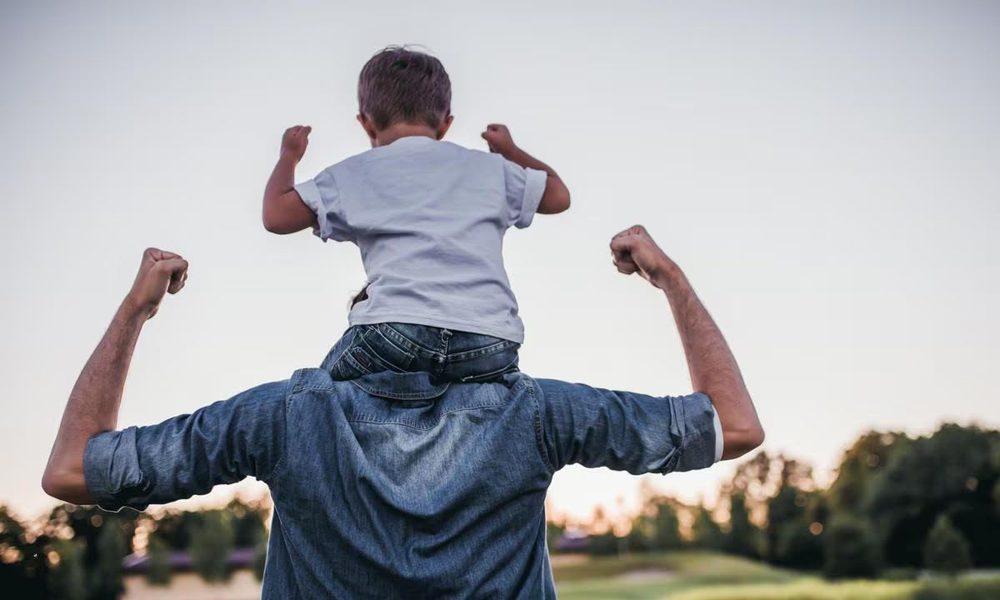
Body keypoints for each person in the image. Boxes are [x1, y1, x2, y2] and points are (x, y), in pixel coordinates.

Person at [42, 225, 764, 598]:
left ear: (362, 320)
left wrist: (136, 311)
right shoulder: (536, 414)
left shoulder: (285, 418)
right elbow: (734, 426)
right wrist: (669, 278)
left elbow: (73, 469)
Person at [261, 46, 571, 384]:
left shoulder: (355, 173)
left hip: (396, 334)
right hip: (490, 341)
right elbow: (559, 196)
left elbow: (276, 216)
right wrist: (510, 151)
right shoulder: (489, 168)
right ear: (446, 124)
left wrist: (289, 156)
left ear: (366, 124)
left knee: (318, 393)